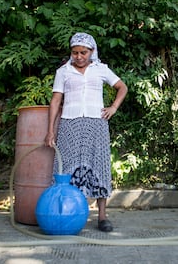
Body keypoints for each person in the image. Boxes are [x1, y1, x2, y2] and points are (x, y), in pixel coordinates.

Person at [45, 32, 128, 232]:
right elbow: (56, 101)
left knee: (98, 166)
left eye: (83, 52)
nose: (79, 56)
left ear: (92, 51)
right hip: (69, 125)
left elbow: (122, 87)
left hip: (96, 124)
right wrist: (50, 131)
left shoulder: (101, 69)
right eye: (75, 53)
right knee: (65, 170)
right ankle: (68, 213)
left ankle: (102, 216)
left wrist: (113, 107)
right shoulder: (63, 72)